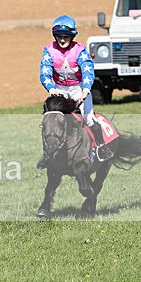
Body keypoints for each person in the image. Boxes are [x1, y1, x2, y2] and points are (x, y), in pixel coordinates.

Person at [38, 15, 113, 168]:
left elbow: (88, 71)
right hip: (59, 89)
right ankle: (46, 154)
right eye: (59, 36)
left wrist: (85, 91)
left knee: (89, 118)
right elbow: (44, 72)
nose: (62, 40)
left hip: (78, 88)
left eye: (66, 36)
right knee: (50, 120)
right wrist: (52, 89)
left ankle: (101, 147)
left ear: (72, 36)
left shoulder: (80, 50)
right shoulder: (48, 50)